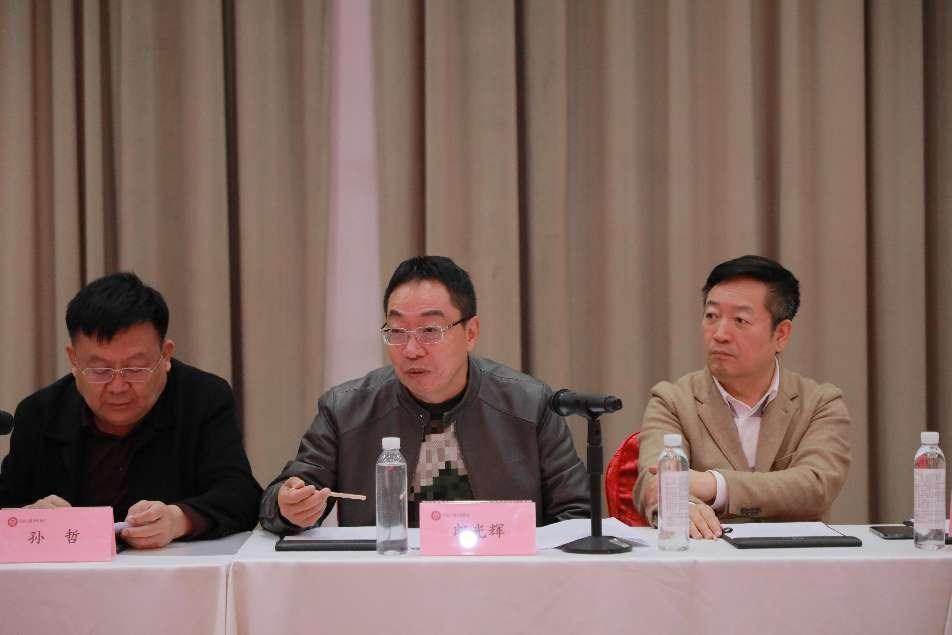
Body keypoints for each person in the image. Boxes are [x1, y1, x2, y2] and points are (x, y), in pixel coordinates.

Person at [260, 255, 589, 532]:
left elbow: (577, 514)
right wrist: (289, 507)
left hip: (502, 579)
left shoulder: (530, 405)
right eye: (397, 331)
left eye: (430, 330)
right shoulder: (345, 409)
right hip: (386, 579)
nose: (411, 350)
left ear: (470, 333)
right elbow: (278, 499)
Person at [0, 273, 262, 548]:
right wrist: (28, 518)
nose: (117, 386)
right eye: (100, 370)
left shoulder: (203, 398)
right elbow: (7, 503)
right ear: (74, 360)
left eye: (135, 369)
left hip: (169, 570)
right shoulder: (40, 413)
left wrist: (178, 519)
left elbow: (240, 495)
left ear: (165, 355)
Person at [633, 255, 850, 538]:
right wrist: (685, 505)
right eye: (711, 316)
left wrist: (715, 485)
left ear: (781, 334)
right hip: (706, 557)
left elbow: (815, 486)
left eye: (740, 320)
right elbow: (654, 482)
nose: (720, 334)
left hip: (796, 557)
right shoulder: (672, 401)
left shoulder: (820, 403)